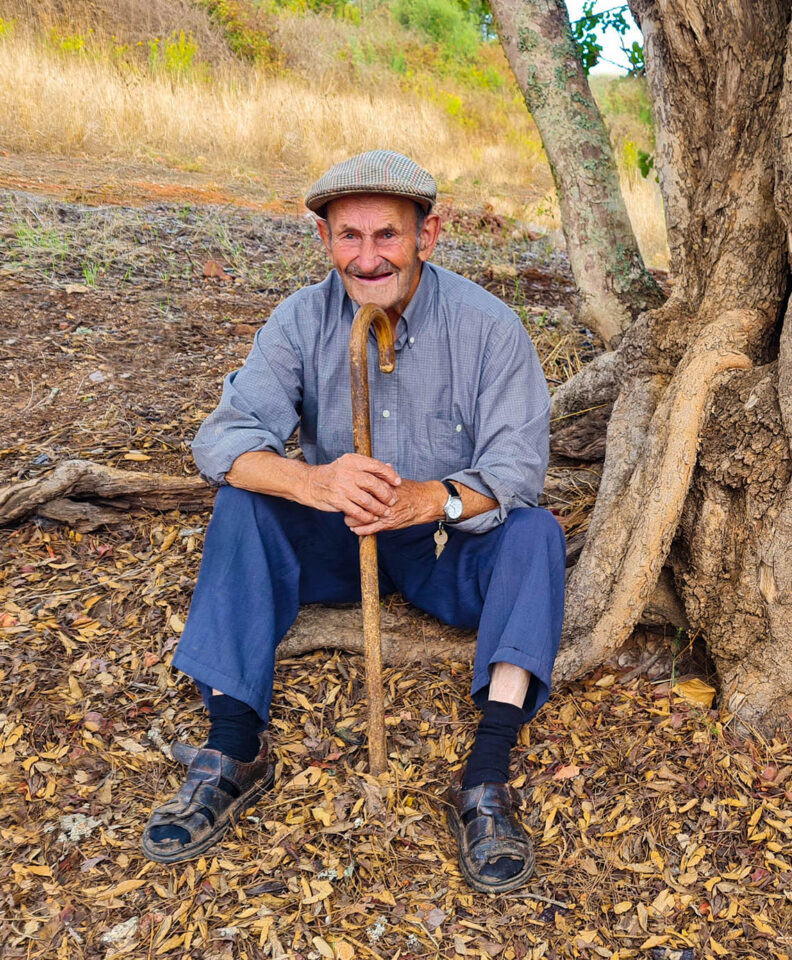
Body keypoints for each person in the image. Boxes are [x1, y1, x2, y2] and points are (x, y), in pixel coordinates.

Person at [139, 150, 562, 894]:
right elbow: (222, 441)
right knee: (244, 499)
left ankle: (487, 776)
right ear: (325, 242)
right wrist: (314, 480)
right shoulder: (301, 320)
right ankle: (236, 746)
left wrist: (434, 498)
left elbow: (518, 469)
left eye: (387, 236)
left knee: (537, 534)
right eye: (349, 237)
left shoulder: (489, 328)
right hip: (337, 547)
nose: (368, 259)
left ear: (427, 236)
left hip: (442, 548)